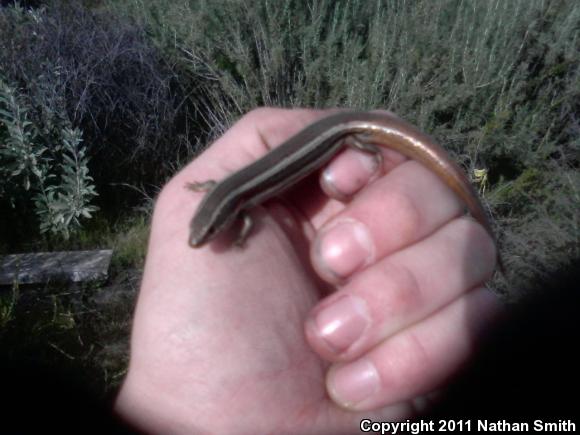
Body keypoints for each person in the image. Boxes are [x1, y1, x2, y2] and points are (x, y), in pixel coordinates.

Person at [114, 108, 501, 434]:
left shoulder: (241, 205)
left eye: (211, 230)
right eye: (205, 229)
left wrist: (367, 148)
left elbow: (242, 220)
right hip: (341, 136)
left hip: (344, 135)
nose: (204, 239)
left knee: (363, 156)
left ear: (224, 215)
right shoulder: (233, 196)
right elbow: (223, 197)